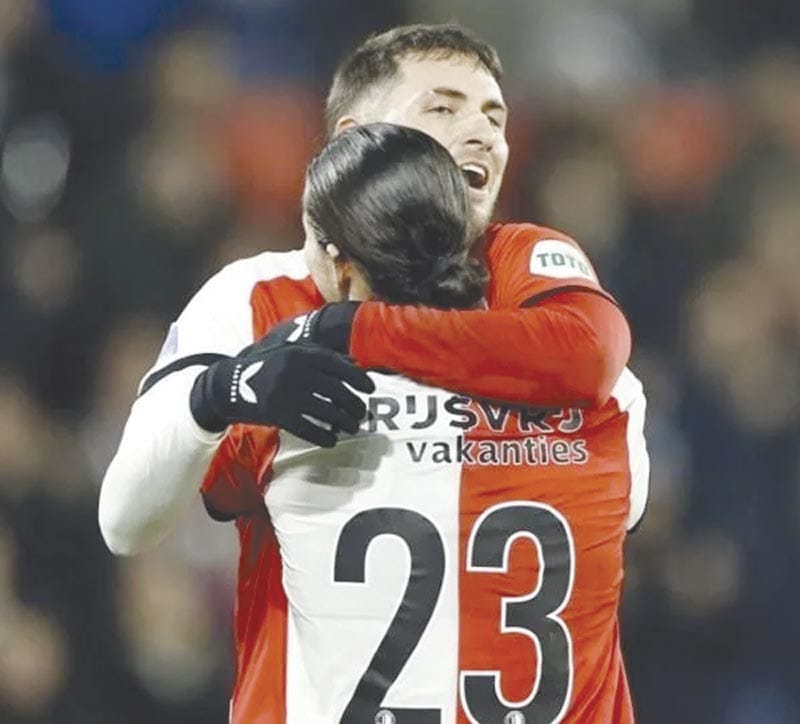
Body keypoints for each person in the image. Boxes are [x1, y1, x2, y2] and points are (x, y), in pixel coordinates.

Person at [99, 23, 648, 723]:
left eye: (494, 115)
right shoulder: (255, 296)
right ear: (355, 138)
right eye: (443, 108)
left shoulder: (539, 297)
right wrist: (220, 393)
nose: (480, 133)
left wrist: (343, 332)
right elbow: (124, 519)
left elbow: (589, 352)